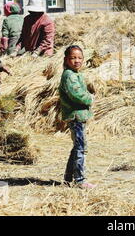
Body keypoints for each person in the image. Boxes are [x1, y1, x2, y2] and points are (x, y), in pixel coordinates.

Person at [59, 45, 96, 188]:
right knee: (81, 147)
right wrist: (89, 98)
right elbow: (76, 94)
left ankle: (68, 179)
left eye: (79, 58)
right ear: (66, 59)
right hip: (75, 116)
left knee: (77, 147)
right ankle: (79, 180)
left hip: (79, 116)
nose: (77, 60)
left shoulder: (75, 74)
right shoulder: (69, 75)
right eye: (73, 58)